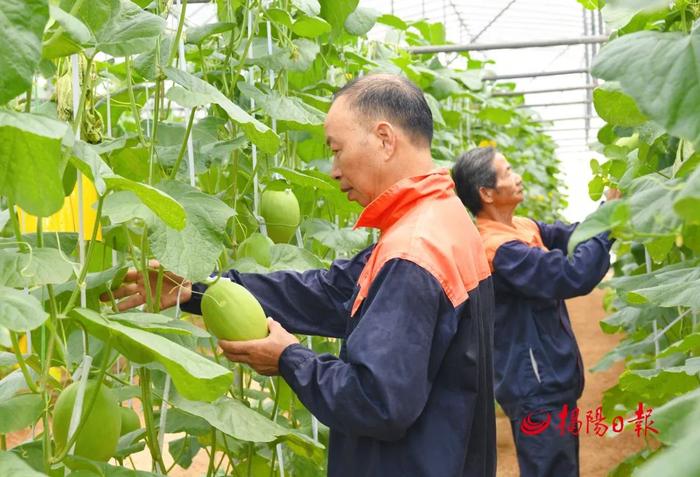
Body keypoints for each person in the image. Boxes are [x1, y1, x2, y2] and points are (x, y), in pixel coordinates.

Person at [111, 74, 497, 477]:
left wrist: (289, 359)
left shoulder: (413, 251)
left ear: (384, 139)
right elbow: (331, 293)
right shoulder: (440, 221)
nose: (333, 169)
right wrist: (195, 290)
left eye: (337, 149)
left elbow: (377, 402)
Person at [451, 146, 619, 477]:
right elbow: (573, 275)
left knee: (561, 466)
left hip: (550, 377)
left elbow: (575, 236)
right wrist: (610, 220)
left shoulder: (522, 227)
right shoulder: (498, 249)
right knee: (551, 468)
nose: (518, 177)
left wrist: (607, 212)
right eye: (509, 172)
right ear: (486, 192)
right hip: (535, 387)